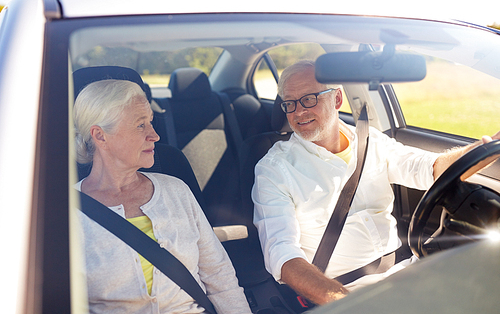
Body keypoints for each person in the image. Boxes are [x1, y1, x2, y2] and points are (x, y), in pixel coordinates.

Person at [252, 60, 500, 305]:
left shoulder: (372, 141)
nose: (298, 112)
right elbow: (283, 257)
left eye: (308, 99)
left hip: (408, 272)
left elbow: (431, 168)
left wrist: (489, 148)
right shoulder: (274, 170)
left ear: (337, 99)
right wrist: (346, 303)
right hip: (345, 292)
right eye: (289, 104)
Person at [73, 79, 251, 314]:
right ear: (101, 136)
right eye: (140, 126)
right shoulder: (68, 213)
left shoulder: (176, 191)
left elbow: (220, 277)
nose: (155, 135)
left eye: (150, 123)